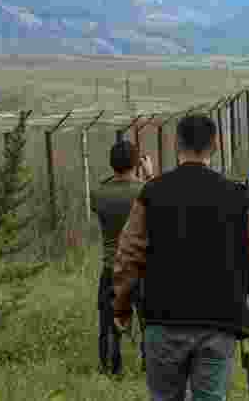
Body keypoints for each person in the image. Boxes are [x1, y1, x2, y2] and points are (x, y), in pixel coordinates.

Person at [111, 114, 249, 401]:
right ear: (216, 145)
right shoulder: (238, 197)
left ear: (176, 144)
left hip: (163, 322)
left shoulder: (151, 193)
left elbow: (127, 256)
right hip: (219, 323)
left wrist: (122, 309)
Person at [91, 139, 151, 375]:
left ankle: (109, 368)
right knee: (149, 323)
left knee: (108, 324)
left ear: (111, 164)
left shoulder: (99, 193)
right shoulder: (144, 191)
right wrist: (148, 176)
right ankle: (150, 365)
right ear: (137, 163)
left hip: (111, 267)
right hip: (141, 267)